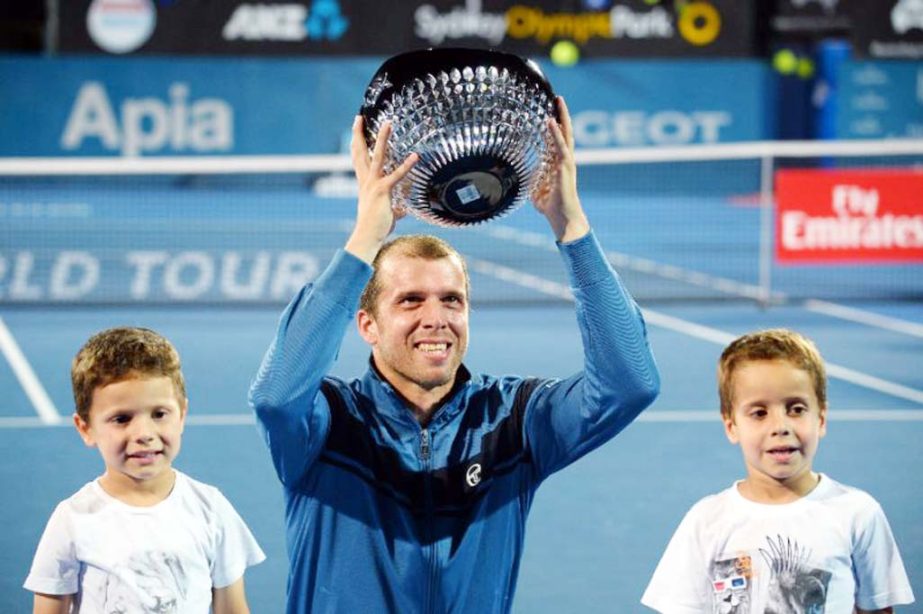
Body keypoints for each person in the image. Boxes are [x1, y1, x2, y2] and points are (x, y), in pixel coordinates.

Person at [249, 96, 660, 614]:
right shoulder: (326, 424)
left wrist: (570, 226)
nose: (435, 318)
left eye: (452, 300)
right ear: (367, 325)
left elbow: (631, 383)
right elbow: (274, 394)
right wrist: (365, 238)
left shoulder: (514, 421)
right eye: (410, 301)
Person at [642, 328, 915, 614]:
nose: (780, 426)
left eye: (796, 409)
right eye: (759, 413)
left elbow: (877, 609)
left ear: (821, 418)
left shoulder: (858, 514)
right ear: (731, 426)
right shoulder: (705, 521)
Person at [25, 327, 266, 614]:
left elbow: (233, 608)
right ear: (86, 428)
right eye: (122, 419)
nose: (144, 433)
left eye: (159, 414)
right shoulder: (72, 520)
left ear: (182, 415)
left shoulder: (211, 509)